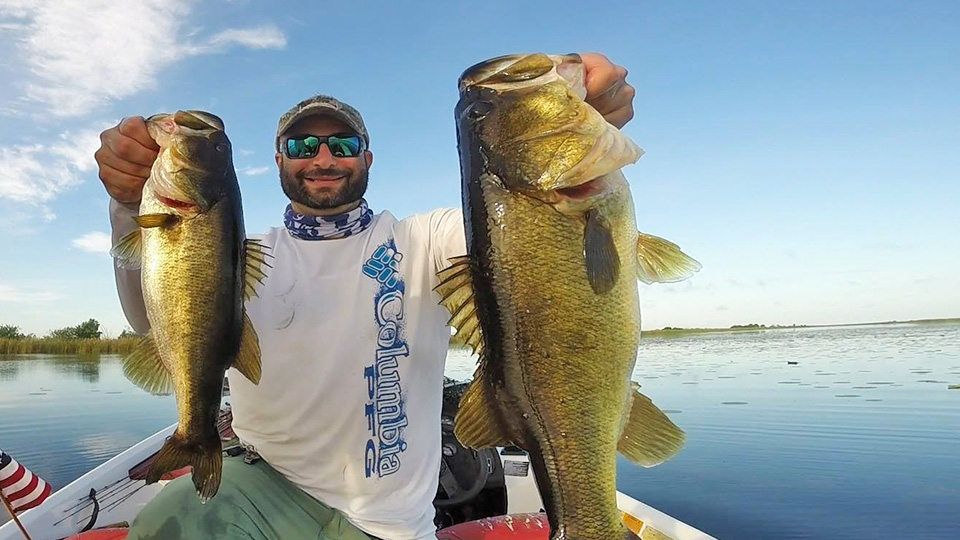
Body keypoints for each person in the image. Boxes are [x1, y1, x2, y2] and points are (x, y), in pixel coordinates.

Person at [96, 53, 636, 540]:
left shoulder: (430, 239)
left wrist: (579, 128)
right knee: (169, 523)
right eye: (303, 146)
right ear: (279, 161)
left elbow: (526, 242)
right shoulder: (233, 254)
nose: (324, 158)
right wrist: (127, 206)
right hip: (268, 489)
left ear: (368, 159)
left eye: (344, 145)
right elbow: (151, 318)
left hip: (391, 524)